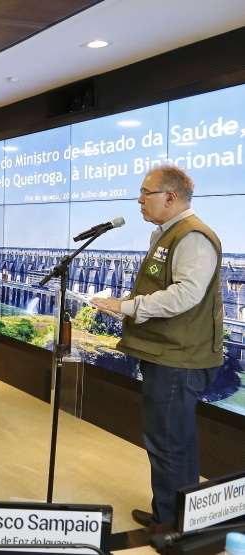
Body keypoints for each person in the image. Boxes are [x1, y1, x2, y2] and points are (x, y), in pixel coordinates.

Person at [91, 166, 223, 533]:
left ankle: (175, 527)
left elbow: (185, 294)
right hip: (165, 352)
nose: (139, 199)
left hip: (178, 358)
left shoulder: (193, 236)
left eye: (145, 192)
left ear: (171, 197)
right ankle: (169, 513)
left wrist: (127, 306)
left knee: (170, 443)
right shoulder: (169, 234)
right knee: (167, 440)